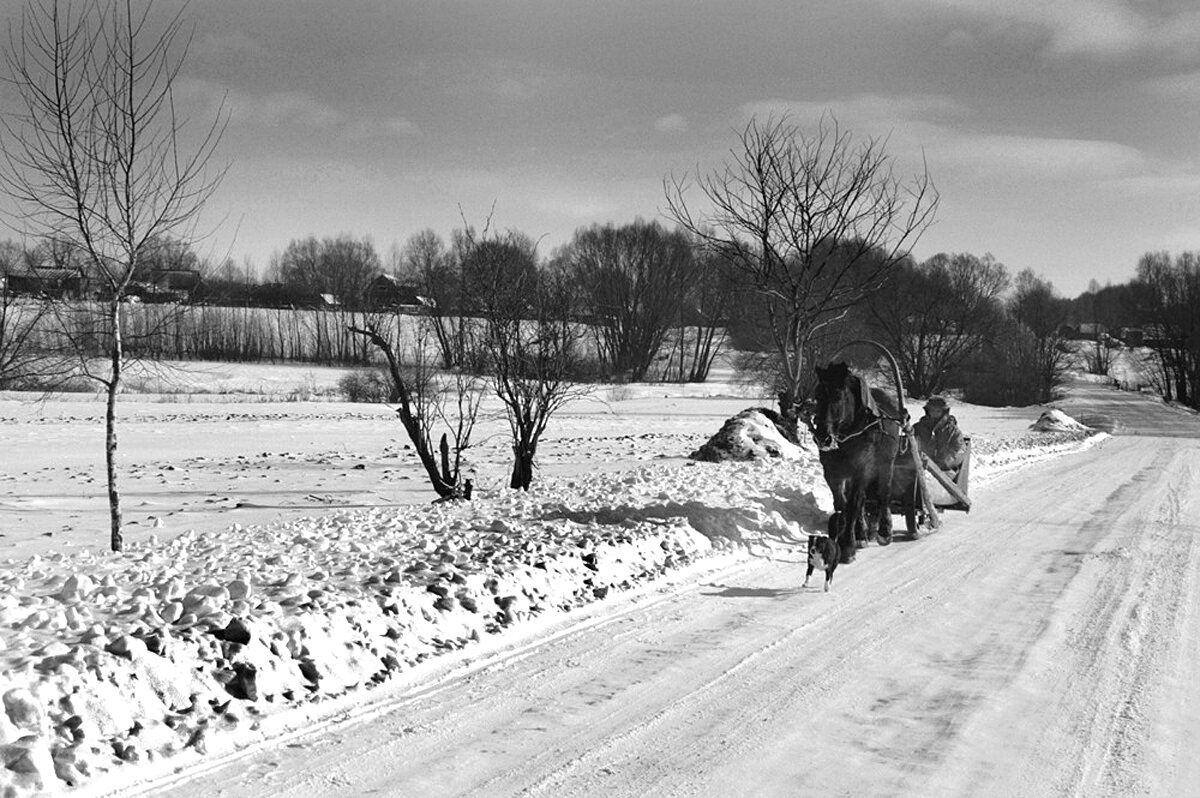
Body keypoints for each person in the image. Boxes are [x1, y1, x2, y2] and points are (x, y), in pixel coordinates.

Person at [913, 395, 965, 473]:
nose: (935, 413)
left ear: (944, 412)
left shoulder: (953, 431)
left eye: (938, 411)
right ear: (928, 411)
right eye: (933, 410)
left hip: (945, 470)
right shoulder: (919, 427)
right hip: (921, 468)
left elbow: (958, 449)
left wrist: (945, 463)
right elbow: (912, 444)